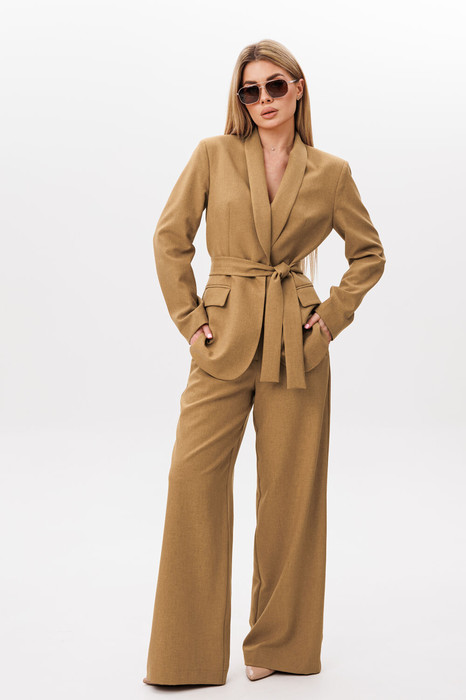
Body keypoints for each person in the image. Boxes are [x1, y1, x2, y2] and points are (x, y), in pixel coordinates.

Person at [143, 39, 386, 687]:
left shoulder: (331, 172)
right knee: (191, 481)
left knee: (290, 497)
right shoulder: (213, 154)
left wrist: (331, 317)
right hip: (220, 339)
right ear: (240, 99)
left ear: (298, 88)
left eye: (275, 85)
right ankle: (185, 654)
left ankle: (278, 645)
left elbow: (369, 254)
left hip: (297, 344)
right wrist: (190, 320)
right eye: (250, 90)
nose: (264, 99)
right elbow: (170, 238)